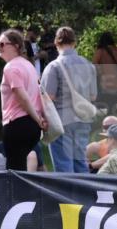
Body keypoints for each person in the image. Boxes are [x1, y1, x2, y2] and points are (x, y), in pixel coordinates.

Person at [41, 26, 98, 173]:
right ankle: (85, 195)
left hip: (61, 121)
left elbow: (48, 97)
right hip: (83, 119)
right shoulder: (89, 65)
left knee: (63, 164)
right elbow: (93, 96)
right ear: (75, 42)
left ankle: (67, 196)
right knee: (80, 163)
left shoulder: (54, 66)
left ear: (56, 42)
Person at [0, 29, 46, 171]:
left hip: (17, 124)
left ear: (16, 46)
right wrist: (39, 119)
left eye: (2, 44)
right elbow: (37, 95)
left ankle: (20, 194)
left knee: (14, 171)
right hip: (32, 127)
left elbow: (22, 96)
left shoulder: (11, 67)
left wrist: (38, 119)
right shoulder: (29, 66)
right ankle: (25, 192)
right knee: (22, 166)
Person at [92, 32, 117, 115]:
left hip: (105, 87)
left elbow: (93, 68)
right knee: (113, 108)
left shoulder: (100, 52)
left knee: (102, 106)